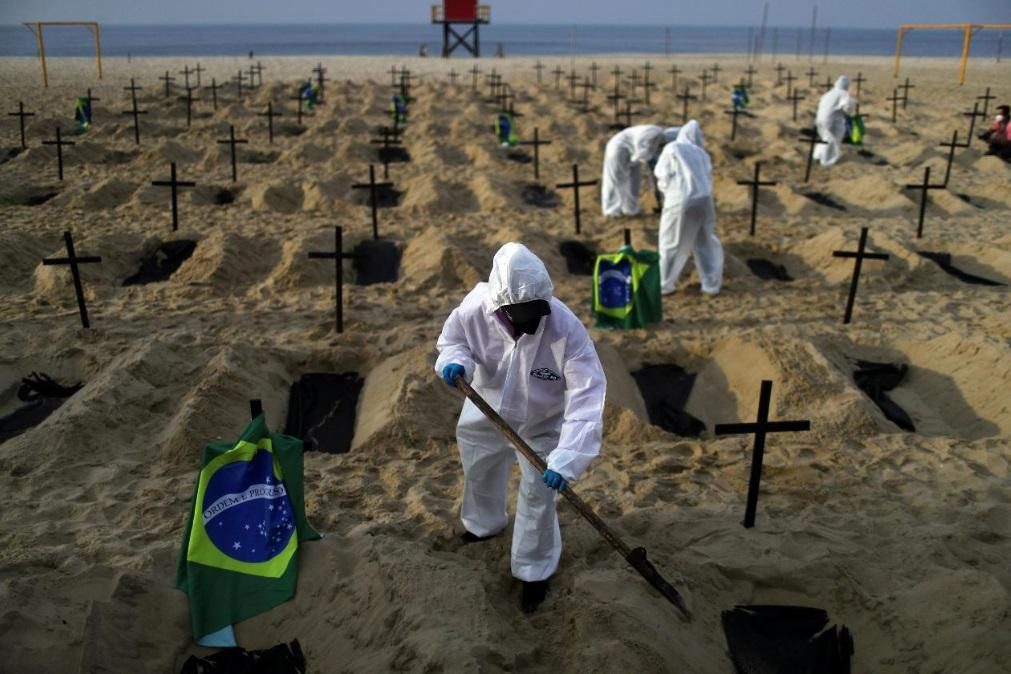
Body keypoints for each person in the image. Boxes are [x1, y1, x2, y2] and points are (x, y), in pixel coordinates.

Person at [435, 243, 606, 614]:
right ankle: (483, 524)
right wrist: (454, 361)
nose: (534, 320)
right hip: (485, 408)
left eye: (538, 310)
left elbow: (586, 400)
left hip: (542, 423)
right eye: (524, 314)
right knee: (479, 469)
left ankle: (533, 570)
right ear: (502, 307)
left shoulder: (566, 330)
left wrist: (567, 458)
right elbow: (454, 341)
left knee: (537, 495)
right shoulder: (476, 308)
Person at [653, 120, 724, 296]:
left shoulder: (673, 148)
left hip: (680, 199)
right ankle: (711, 285)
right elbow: (708, 178)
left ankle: (664, 284)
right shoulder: (702, 154)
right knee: (704, 241)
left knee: (670, 241)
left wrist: (668, 193)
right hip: (705, 201)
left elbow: (661, 174)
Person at [601, 125, 669, 216]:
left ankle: (630, 210)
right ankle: (611, 211)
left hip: (634, 152)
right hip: (618, 148)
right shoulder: (650, 134)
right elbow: (643, 152)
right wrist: (650, 162)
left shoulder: (660, 139)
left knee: (634, 181)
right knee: (616, 179)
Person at [812, 75, 856, 167]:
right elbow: (848, 107)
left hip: (819, 119)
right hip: (831, 121)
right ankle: (826, 161)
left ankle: (817, 155)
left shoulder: (828, 93)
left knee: (825, 137)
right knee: (833, 139)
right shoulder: (844, 94)